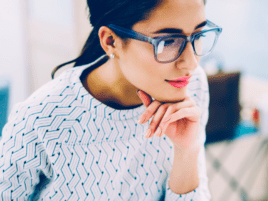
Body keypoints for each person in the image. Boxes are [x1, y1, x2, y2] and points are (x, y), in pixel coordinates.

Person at [0, 0, 222, 200]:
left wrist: (187, 151)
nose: (191, 64)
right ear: (110, 41)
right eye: (168, 41)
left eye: (198, 36)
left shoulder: (189, 85)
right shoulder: (38, 120)